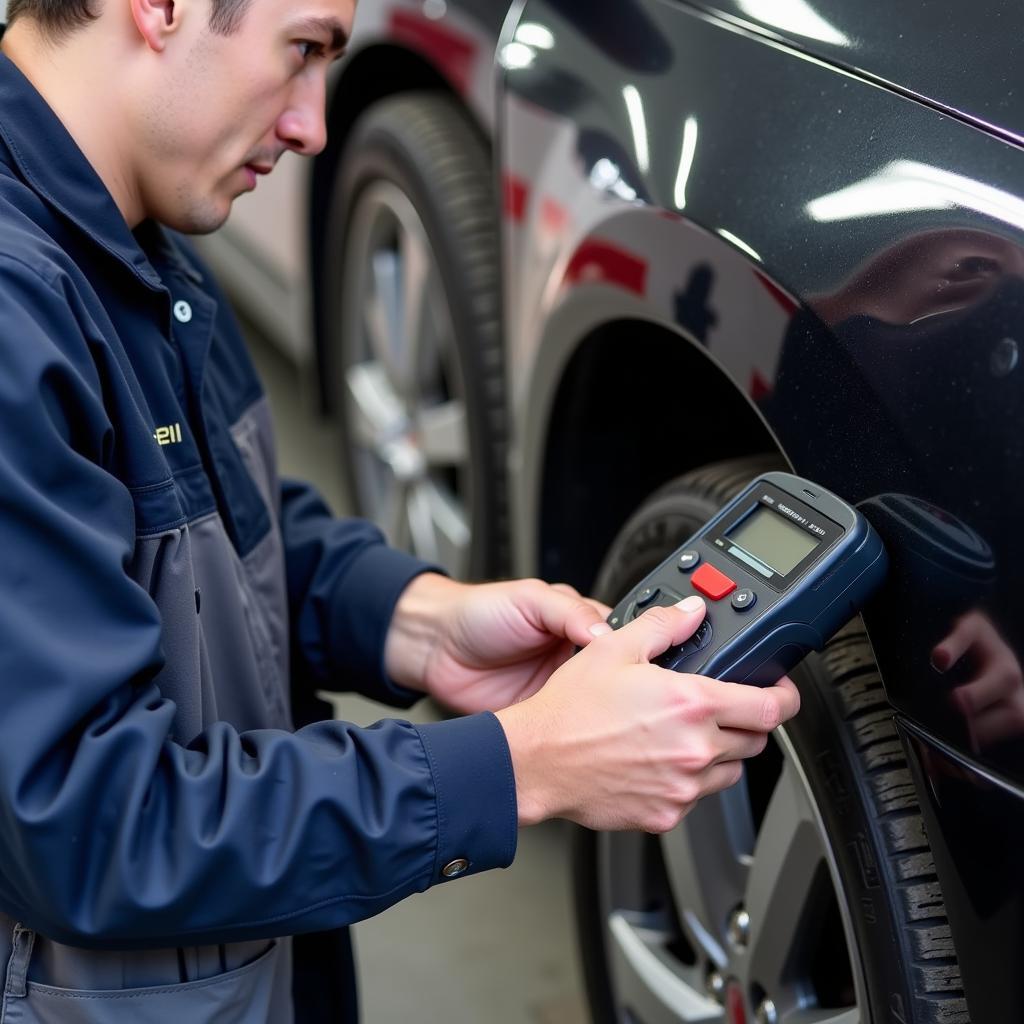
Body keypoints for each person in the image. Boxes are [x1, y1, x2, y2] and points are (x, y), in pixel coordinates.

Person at [0, 0, 800, 1019]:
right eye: (302, 52)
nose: (313, 125)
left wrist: (410, 620)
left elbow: (203, 532)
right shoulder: (17, 314)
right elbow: (95, 824)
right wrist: (515, 768)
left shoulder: (133, 234)